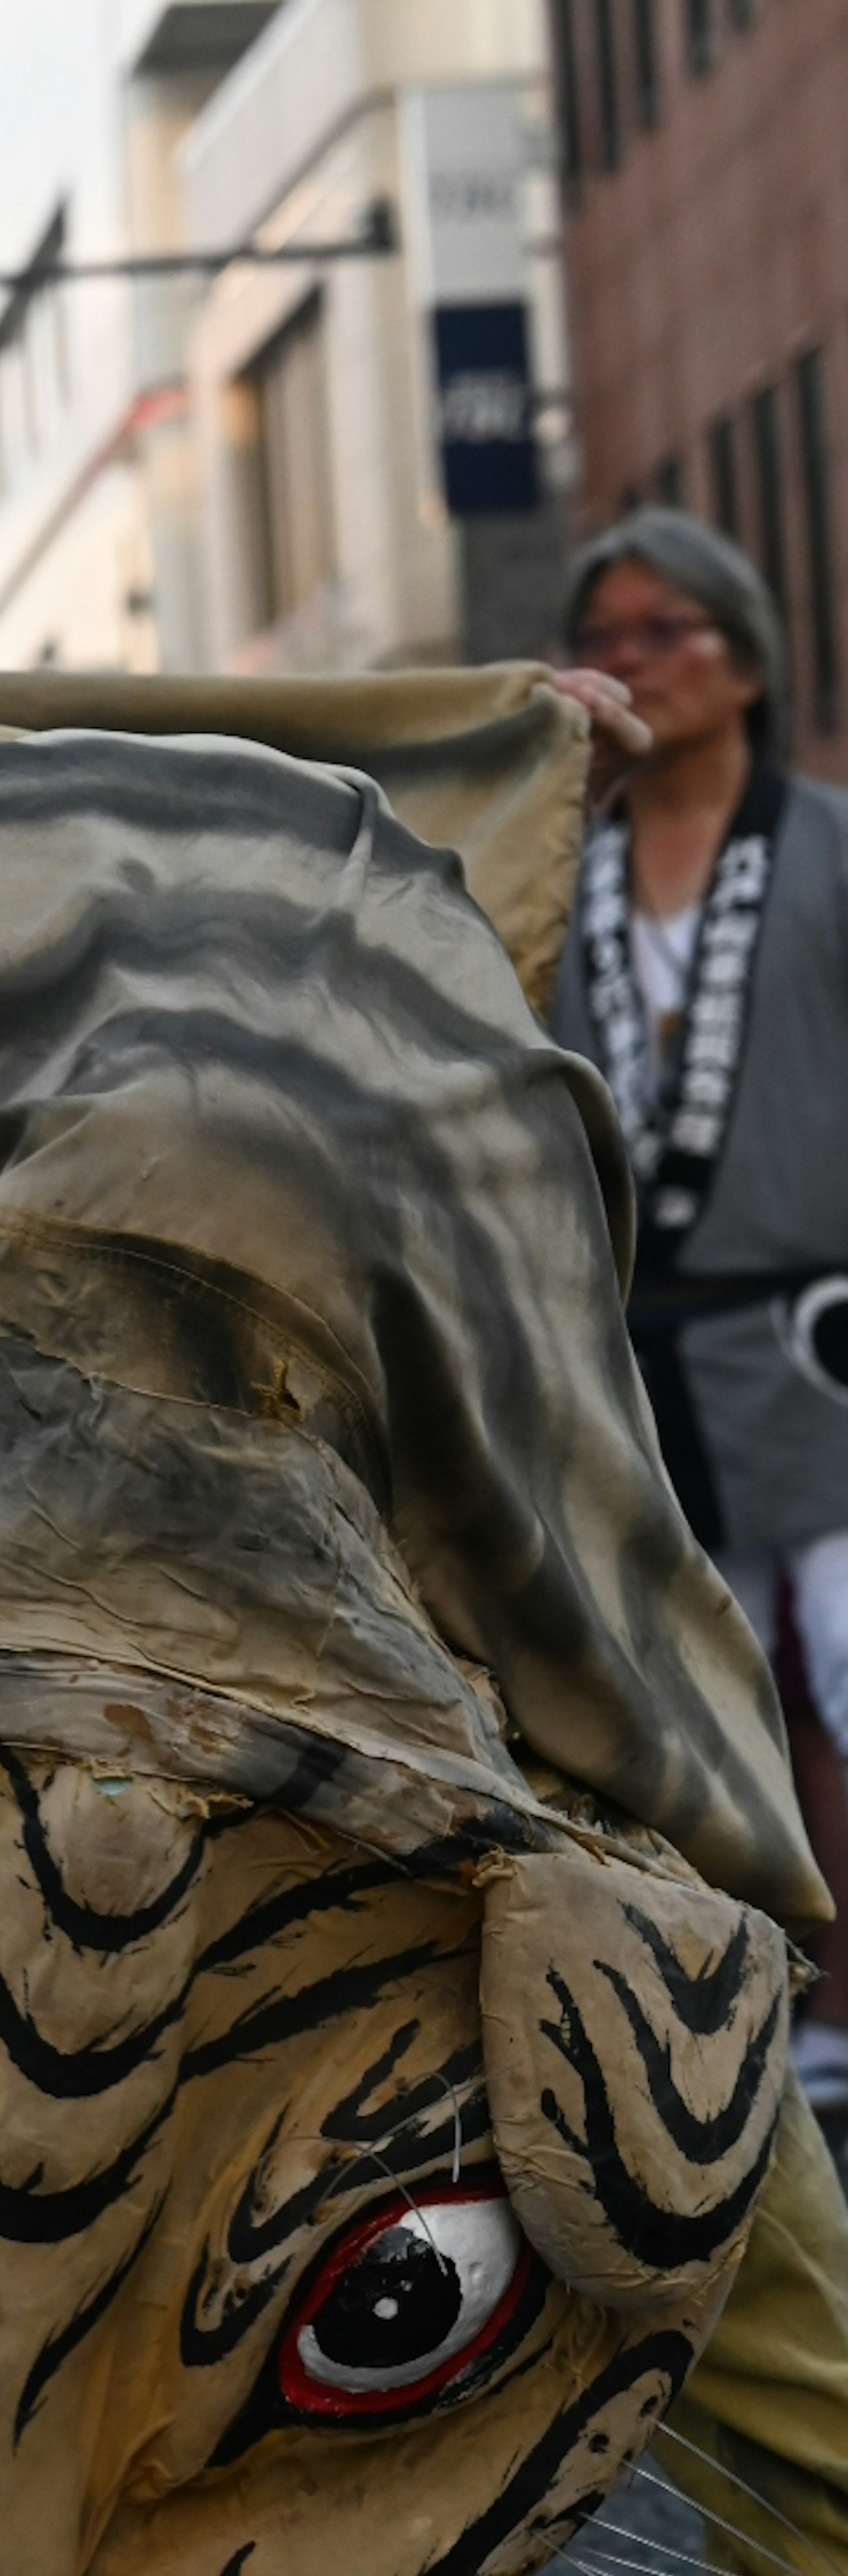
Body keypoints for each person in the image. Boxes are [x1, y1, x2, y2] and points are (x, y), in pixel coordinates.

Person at [551, 511, 848, 2116]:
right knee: (694, 1697)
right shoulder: (556, 870)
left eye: (667, 630)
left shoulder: (832, 851)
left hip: (821, 1339)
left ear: (743, 660)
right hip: (639, 1350)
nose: (636, 660)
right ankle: (758, 1998)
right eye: (609, 633)